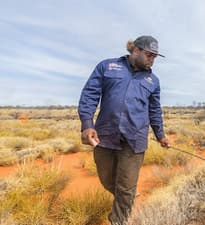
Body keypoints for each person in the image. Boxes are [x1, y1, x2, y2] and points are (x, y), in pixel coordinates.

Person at [78, 35, 169, 225]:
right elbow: (89, 95)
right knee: (107, 179)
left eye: (154, 57)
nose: (152, 60)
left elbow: (154, 110)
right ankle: (125, 197)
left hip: (134, 140)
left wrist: (160, 135)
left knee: (126, 187)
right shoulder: (107, 66)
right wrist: (87, 124)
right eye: (149, 55)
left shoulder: (153, 81)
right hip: (105, 136)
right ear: (135, 50)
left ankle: (119, 219)